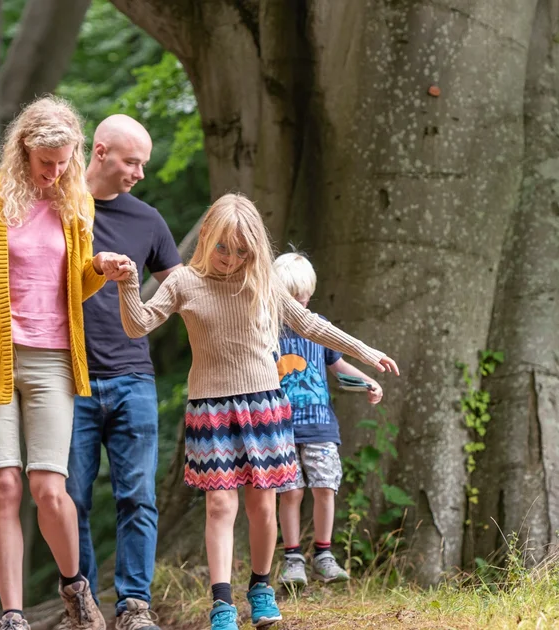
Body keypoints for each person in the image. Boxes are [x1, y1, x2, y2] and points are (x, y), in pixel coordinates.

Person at [101, 193, 399, 629]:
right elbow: (137, 325)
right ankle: (222, 603)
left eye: (242, 251)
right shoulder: (184, 281)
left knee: (262, 504)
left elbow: (310, 324)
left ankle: (260, 587)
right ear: (207, 237)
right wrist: (128, 283)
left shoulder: (262, 282)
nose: (230, 258)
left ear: (254, 250)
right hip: (210, 409)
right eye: (223, 247)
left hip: (265, 405)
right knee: (220, 504)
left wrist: (365, 351)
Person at [0, 95, 114, 630]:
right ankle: (14, 614)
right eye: (47, 163)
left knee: (48, 488)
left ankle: (74, 588)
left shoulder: (76, 201)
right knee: (5, 487)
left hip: (54, 362)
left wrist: (101, 268)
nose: (56, 172)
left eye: (65, 162)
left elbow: (76, 286)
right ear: (23, 151)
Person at [65, 114, 181, 630]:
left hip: (133, 377)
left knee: (138, 496)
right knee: (71, 499)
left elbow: (182, 290)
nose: (138, 172)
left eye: (143, 164)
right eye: (132, 162)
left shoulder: (148, 221)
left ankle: (135, 607)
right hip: (68, 378)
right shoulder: (60, 210)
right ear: (101, 151)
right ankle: (84, 608)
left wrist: (147, 308)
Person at [271, 252, 383, 588]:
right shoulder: (268, 330)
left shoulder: (318, 327)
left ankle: (324, 553)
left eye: (304, 296)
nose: (299, 303)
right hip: (280, 427)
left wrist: (367, 380)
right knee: (290, 492)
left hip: (320, 424)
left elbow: (337, 366)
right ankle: (292, 558)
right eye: (292, 296)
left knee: (325, 487)